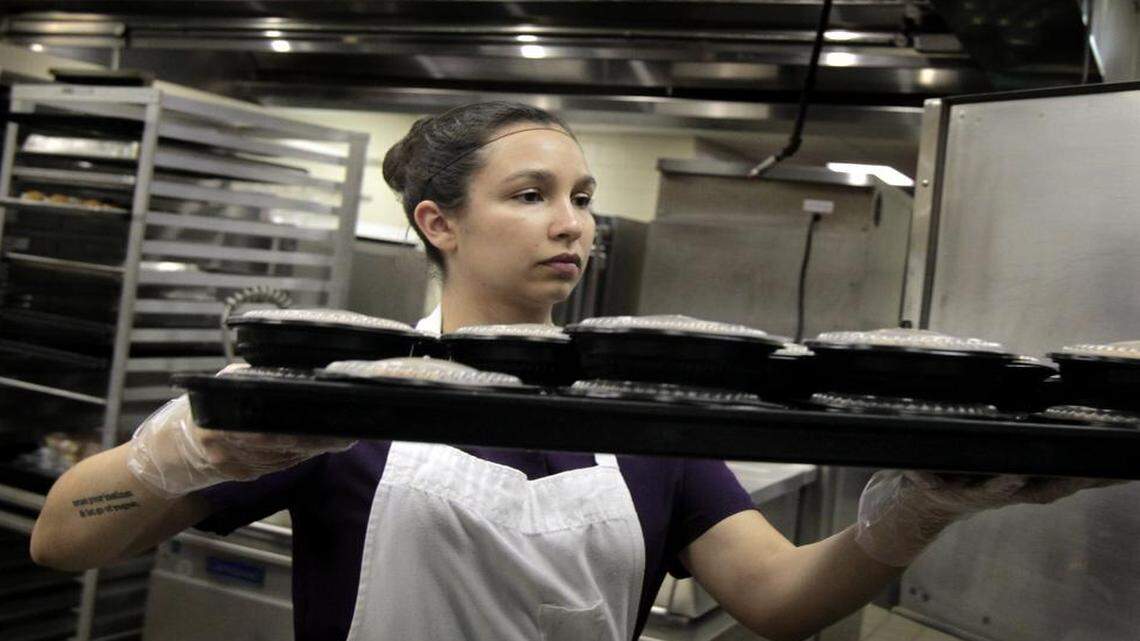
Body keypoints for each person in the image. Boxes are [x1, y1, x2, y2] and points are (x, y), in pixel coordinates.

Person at [30, 102, 1109, 641]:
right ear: (437, 221)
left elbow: (773, 598)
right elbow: (65, 534)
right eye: (533, 194)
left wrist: (913, 515)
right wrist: (181, 449)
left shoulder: (639, 416)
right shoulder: (343, 396)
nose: (573, 225)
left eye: (584, 198)